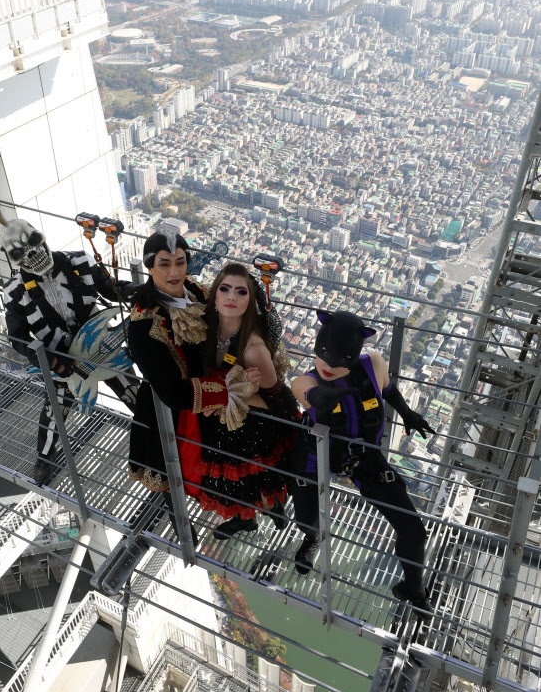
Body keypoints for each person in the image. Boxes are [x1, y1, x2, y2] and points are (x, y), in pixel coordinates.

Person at [291, 310, 434, 606]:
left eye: (339, 359)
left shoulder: (373, 365)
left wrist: (408, 414)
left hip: (363, 459)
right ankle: (313, 538)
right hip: (316, 454)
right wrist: (319, 398)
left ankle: (414, 589)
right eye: (323, 356)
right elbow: (301, 388)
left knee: (414, 532)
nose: (328, 366)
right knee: (305, 519)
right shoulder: (309, 380)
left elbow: (389, 390)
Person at [127, 233, 258, 543]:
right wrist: (229, 390)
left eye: (180, 263)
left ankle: (243, 516)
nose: (174, 273)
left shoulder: (198, 292)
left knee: (231, 461)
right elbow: (173, 392)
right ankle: (183, 529)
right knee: (169, 472)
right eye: (164, 264)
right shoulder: (143, 323)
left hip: (216, 394)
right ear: (150, 267)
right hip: (172, 409)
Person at [2, 218, 136, 484]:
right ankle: (44, 457)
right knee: (54, 412)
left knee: (137, 396)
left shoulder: (80, 262)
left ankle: (166, 436)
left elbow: (110, 291)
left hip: (100, 349)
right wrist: (47, 358)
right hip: (61, 363)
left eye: (34, 242)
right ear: (14, 261)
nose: (33, 254)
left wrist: (131, 290)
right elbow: (17, 337)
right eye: (20, 253)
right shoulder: (16, 291)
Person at [179, 262, 298, 539]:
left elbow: (277, 403)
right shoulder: (203, 327)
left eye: (241, 292)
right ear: (215, 295)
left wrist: (234, 395)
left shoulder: (253, 349)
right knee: (230, 481)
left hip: (254, 426)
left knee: (246, 477)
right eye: (225, 289)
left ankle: (269, 509)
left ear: (250, 300)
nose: (232, 297)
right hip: (221, 419)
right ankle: (248, 518)